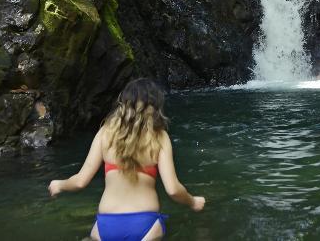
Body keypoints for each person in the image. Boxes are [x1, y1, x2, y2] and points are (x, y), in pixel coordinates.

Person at [48, 78, 205, 240]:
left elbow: (80, 181)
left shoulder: (105, 133)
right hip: (146, 226)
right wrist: (193, 201)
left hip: (105, 227)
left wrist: (59, 184)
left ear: (123, 103)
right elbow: (172, 189)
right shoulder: (159, 137)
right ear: (156, 106)